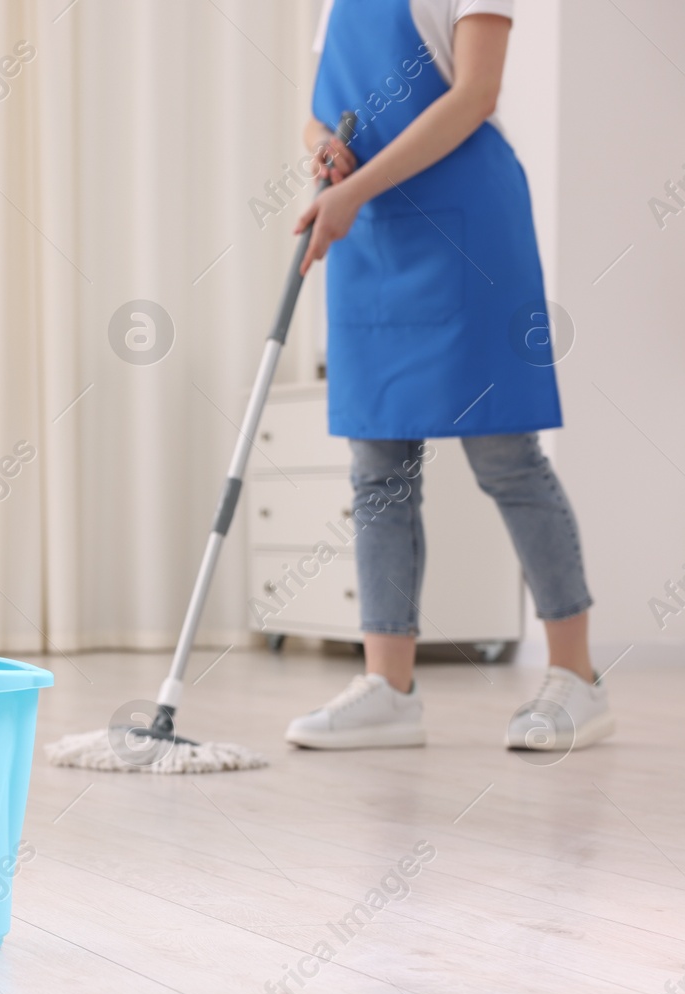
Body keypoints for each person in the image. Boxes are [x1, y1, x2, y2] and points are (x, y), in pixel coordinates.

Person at [281, 0, 611, 752]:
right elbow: (317, 112)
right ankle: (388, 688)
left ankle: (578, 677)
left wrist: (353, 191)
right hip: (371, 234)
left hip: (464, 226)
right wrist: (328, 148)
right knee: (377, 464)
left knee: (505, 456)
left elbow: (474, 96)